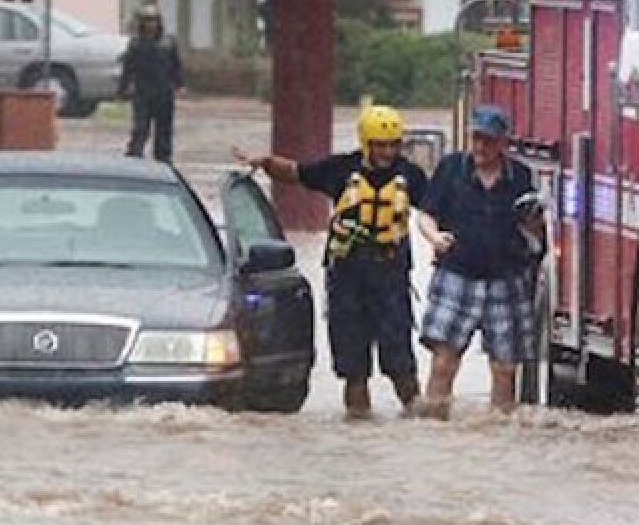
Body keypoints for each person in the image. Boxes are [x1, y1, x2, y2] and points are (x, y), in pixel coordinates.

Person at [233, 105, 428, 419]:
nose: (388, 151)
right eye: (381, 144)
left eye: (393, 144)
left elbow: (434, 210)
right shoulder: (340, 169)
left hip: (390, 277)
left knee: (400, 361)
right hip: (347, 278)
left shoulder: (410, 176)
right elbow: (296, 173)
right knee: (353, 366)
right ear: (367, 142)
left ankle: (417, 418)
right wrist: (266, 162)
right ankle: (358, 424)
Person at [416, 104, 544, 419]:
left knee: (504, 368)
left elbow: (535, 230)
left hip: (507, 279)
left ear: (503, 143)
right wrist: (434, 238)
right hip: (456, 275)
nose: (479, 147)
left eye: (487, 141)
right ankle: (434, 426)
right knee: (444, 361)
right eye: (475, 139)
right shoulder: (450, 169)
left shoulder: (521, 178)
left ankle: (499, 430)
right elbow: (425, 215)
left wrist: (534, 227)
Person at [118, 4, 183, 163]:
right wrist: (124, 87)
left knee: (164, 130)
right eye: (147, 21)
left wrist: (179, 84)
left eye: (153, 21)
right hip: (143, 93)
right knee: (140, 128)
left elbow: (176, 66)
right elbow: (128, 68)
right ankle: (134, 156)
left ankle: (163, 159)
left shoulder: (168, 43)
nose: (150, 25)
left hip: (164, 93)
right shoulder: (135, 44)